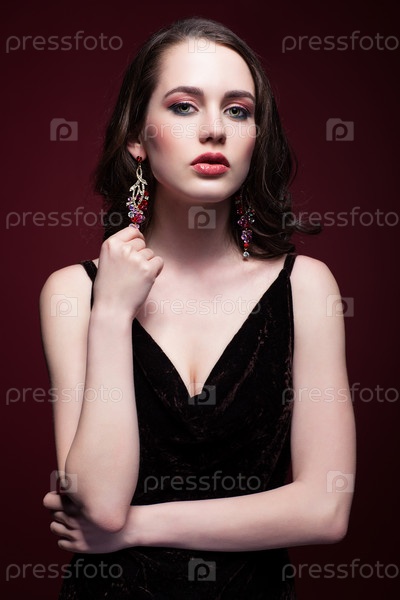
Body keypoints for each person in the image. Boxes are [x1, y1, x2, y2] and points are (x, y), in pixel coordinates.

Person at [40, 17, 356, 599]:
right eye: (184, 107)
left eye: (238, 111)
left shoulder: (306, 287)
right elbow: (100, 503)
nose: (214, 130)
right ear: (137, 136)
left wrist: (135, 528)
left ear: (256, 135)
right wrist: (111, 313)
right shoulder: (72, 294)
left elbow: (325, 509)